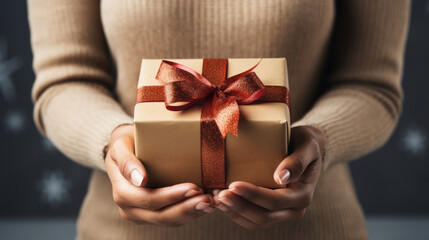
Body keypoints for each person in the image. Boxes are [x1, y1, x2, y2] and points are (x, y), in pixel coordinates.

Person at [28, 0, 410, 239]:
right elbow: (65, 82)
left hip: (316, 227)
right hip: (119, 232)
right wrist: (112, 141)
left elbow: (371, 85)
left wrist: (320, 139)